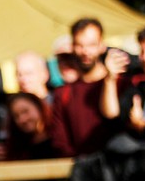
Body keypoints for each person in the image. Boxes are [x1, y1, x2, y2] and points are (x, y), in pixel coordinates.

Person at [50, 17, 132, 156]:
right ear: (73, 47)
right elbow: (60, 142)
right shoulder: (63, 94)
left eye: (91, 45)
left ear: (102, 45)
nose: (85, 51)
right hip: (82, 171)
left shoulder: (121, 85)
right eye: (80, 45)